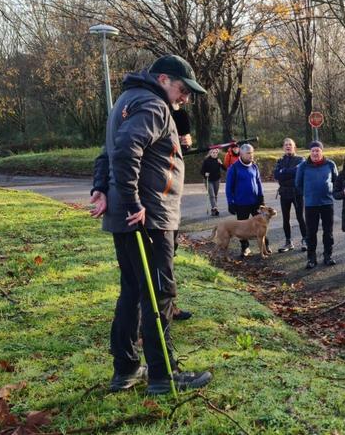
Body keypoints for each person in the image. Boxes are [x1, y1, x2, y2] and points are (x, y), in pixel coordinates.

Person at [90, 54, 211, 395]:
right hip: (148, 218)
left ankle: (126, 368)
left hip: (129, 216)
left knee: (132, 291)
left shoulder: (126, 101)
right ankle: (163, 375)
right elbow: (126, 149)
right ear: (162, 80)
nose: (185, 97)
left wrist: (100, 189)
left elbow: (107, 152)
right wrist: (132, 202)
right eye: (182, 89)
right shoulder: (153, 106)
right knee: (159, 293)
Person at [295, 141, 339, 269]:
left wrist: (330, 192)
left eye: (317, 150)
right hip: (311, 204)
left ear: (322, 151)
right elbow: (298, 184)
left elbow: (336, 182)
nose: (315, 153)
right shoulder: (303, 166)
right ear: (310, 152)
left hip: (327, 203)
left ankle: (328, 256)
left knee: (328, 232)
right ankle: (311, 258)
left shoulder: (330, 164)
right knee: (311, 233)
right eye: (313, 151)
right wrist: (307, 194)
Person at [225, 143, 266, 258]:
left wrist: (261, 198)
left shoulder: (254, 166)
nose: (251, 155)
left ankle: (264, 246)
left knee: (262, 225)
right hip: (241, 203)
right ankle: (245, 248)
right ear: (241, 154)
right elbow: (229, 188)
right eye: (248, 153)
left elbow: (259, 183)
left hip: (255, 203)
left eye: (252, 153)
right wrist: (230, 202)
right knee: (242, 229)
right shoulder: (234, 168)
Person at [274, 138, 307, 253]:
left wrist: (284, 172)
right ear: (283, 147)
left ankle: (305, 239)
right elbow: (277, 175)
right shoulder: (280, 160)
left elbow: (297, 173)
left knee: (300, 217)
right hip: (284, 193)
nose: (288, 146)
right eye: (286, 145)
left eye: (290, 145)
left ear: (294, 147)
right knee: (285, 218)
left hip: (297, 193)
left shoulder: (301, 159)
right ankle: (288, 242)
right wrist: (289, 172)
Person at [200, 148, 224, 217]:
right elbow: (202, 171)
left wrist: (221, 163)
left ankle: (214, 210)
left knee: (215, 195)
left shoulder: (218, 160)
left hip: (217, 180)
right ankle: (215, 208)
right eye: (213, 152)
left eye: (216, 153)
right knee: (212, 195)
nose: (215, 154)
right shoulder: (206, 161)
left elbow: (225, 168)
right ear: (210, 153)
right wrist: (205, 173)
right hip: (208, 180)